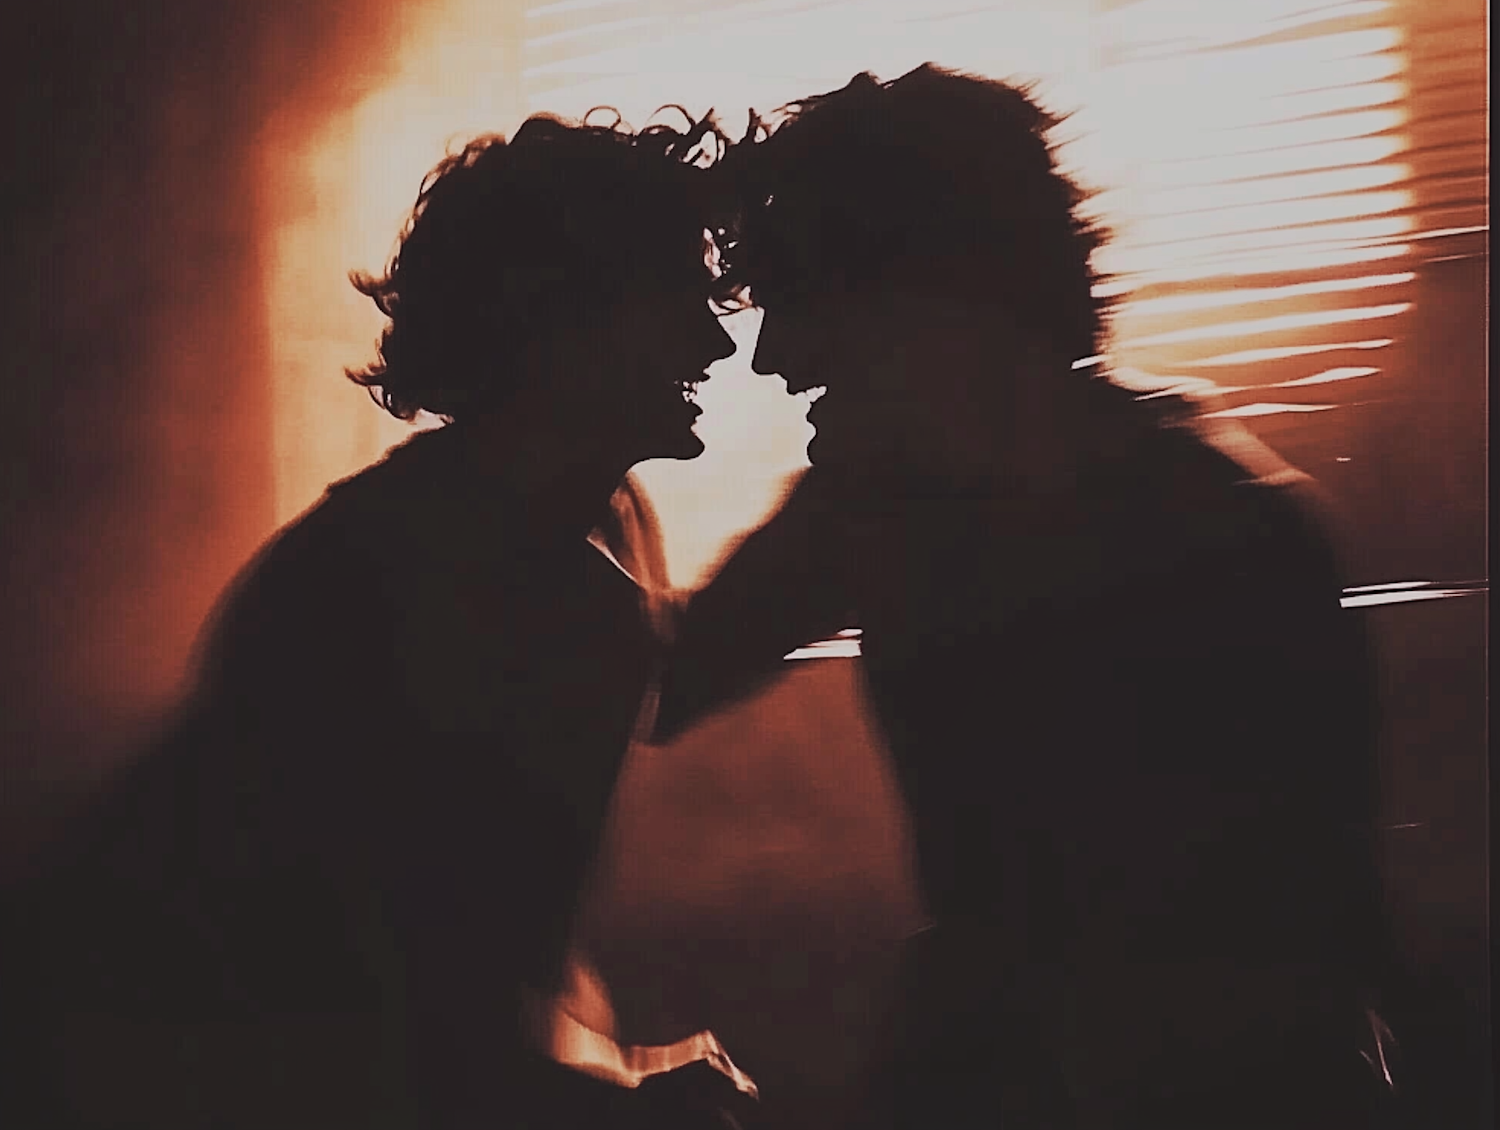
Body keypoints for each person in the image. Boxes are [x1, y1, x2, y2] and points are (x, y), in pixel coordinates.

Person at [654, 65, 1396, 1129]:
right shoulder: (877, 509)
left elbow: (1296, 951)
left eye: (806, 300)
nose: (773, 357)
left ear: (937, 303)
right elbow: (658, 685)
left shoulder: (1228, 533)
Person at [21, 110, 759, 1129]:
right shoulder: (399, 583)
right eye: (674, 296)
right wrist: (624, 1103)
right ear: (557, 317)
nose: (715, 338)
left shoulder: (602, 526)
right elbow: (379, 1010)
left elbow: (499, 949)